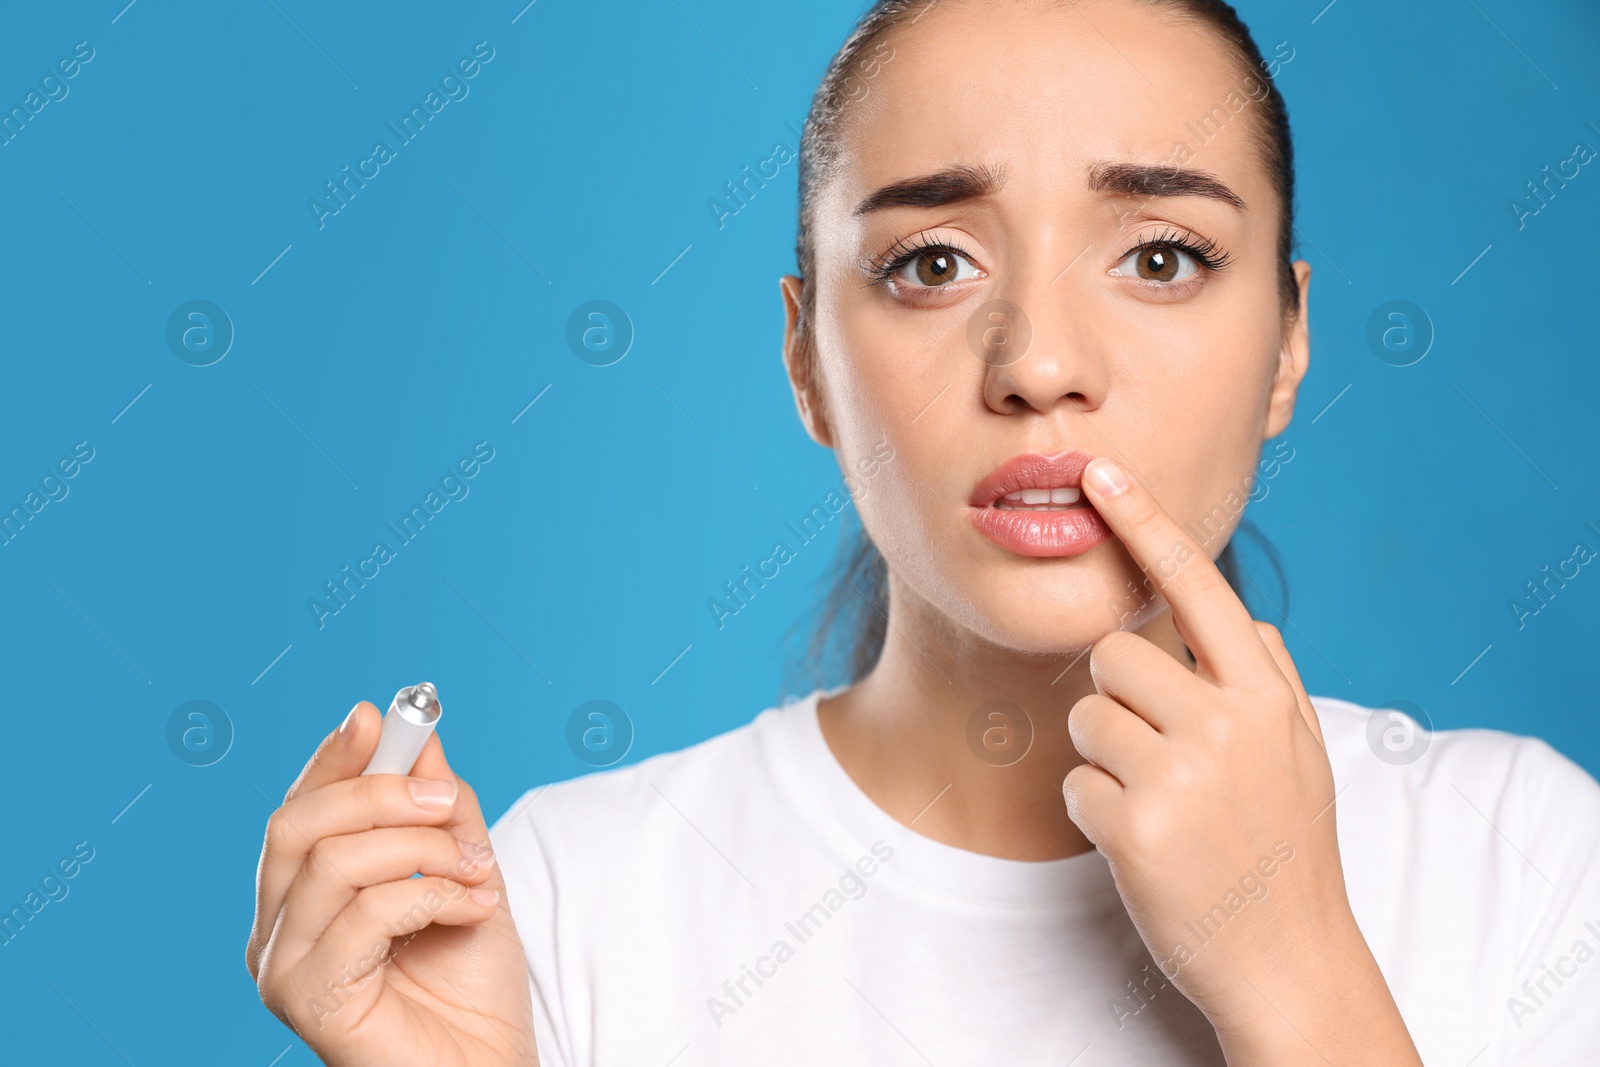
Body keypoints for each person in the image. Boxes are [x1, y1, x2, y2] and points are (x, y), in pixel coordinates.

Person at [246, 1, 1600, 1063]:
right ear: (807, 362)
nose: (1040, 363)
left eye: (1161, 255)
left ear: (1289, 345)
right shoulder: (556, 902)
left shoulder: (1525, 860)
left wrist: (1301, 987)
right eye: (933, 263)